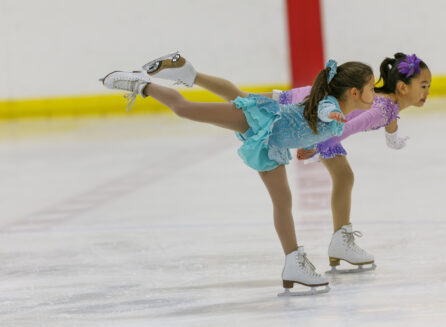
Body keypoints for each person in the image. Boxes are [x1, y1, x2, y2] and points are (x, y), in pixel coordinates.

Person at [100, 55, 375, 295]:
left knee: (283, 202)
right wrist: (334, 116)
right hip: (262, 121)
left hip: (272, 144)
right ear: (353, 92)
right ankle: (141, 84)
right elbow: (326, 112)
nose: (375, 93)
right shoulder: (331, 107)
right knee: (187, 109)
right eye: (371, 88)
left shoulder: (336, 116)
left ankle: (293, 261)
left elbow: (310, 128)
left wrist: (308, 148)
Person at [143, 52, 431, 273]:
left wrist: (393, 139)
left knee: (242, 99)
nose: (427, 91)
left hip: (307, 105)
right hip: (306, 117)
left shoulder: (386, 105)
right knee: (242, 101)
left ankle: (190, 74)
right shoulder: (382, 108)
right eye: (423, 85)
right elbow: (347, 129)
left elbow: (385, 121)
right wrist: (315, 146)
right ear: (403, 87)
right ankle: (340, 241)